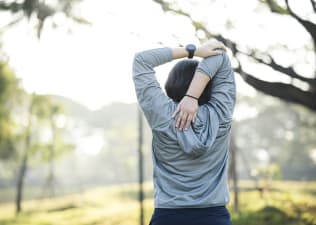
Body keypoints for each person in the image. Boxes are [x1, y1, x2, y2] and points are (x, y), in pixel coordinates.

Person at [132, 39, 236, 225]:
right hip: (214, 218)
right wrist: (193, 96)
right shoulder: (221, 113)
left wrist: (194, 51)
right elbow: (220, 55)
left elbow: (141, 60)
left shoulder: (162, 114)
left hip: (168, 217)